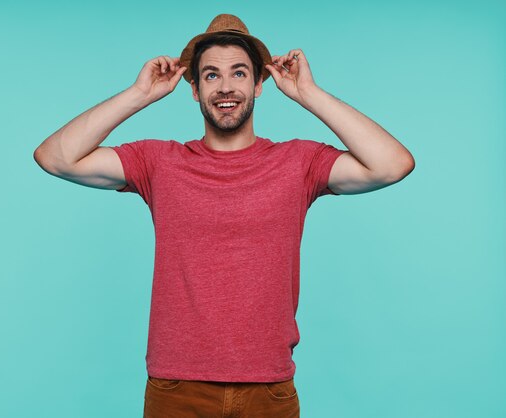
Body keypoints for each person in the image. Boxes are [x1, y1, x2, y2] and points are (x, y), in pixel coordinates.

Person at [33, 13, 414, 418]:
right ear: (194, 89)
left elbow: (391, 164)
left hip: (269, 389)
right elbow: (55, 157)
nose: (226, 87)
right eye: (211, 76)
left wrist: (309, 94)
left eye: (239, 73)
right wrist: (138, 95)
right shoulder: (158, 162)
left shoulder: (297, 161)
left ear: (259, 84)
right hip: (177, 387)